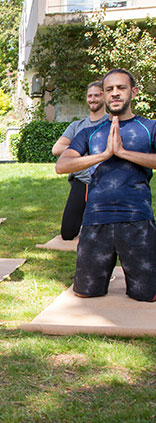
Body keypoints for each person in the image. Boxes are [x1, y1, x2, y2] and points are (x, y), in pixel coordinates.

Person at [56, 68, 156, 302]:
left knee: (146, 296)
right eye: (109, 89)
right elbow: (62, 165)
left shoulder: (149, 127)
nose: (115, 93)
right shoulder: (91, 132)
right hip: (95, 221)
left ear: (134, 92)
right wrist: (103, 155)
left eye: (121, 88)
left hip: (137, 220)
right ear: (104, 95)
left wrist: (123, 152)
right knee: (84, 293)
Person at [52, 81, 109, 240]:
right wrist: (81, 149)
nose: (93, 99)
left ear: (104, 97)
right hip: (81, 181)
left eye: (97, 95)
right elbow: (56, 149)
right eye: (90, 96)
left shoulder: (111, 123)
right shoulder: (78, 126)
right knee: (68, 233)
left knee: (101, 235)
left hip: (105, 181)